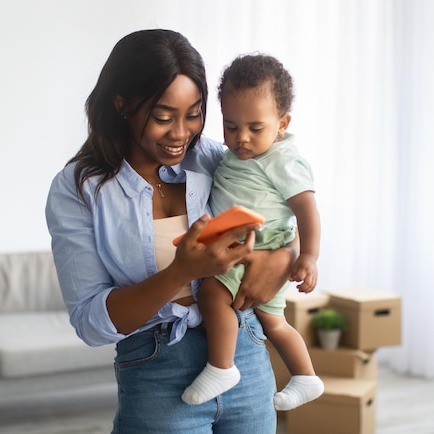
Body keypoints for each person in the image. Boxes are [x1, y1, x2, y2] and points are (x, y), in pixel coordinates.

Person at [45, 29, 299, 434]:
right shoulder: (81, 189)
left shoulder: (219, 160)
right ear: (122, 104)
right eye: (163, 117)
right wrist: (181, 272)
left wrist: (284, 258)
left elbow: (285, 212)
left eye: (194, 114)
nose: (181, 133)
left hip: (245, 353)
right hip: (156, 370)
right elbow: (90, 322)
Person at [181, 54, 324, 412]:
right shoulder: (231, 155)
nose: (241, 138)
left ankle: (222, 367)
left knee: (212, 294)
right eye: (231, 126)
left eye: (255, 128)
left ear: (282, 123)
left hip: (259, 244)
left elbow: (307, 209)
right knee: (275, 322)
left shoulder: (281, 159)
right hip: (245, 242)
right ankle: (306, 376)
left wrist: (307, 256)